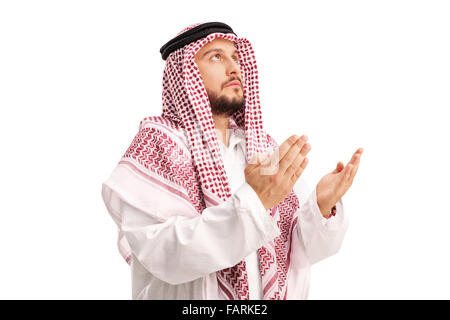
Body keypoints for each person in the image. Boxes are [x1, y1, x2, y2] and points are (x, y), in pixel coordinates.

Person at [101, 22, 363, 300]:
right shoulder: (157, 144)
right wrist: (254, 203)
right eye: (216, 56)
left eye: (236, 57)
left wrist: (322, 208)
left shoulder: (262, 149)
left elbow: (297, 252)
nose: (234, 67)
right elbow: (164, 256)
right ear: (184, 73)